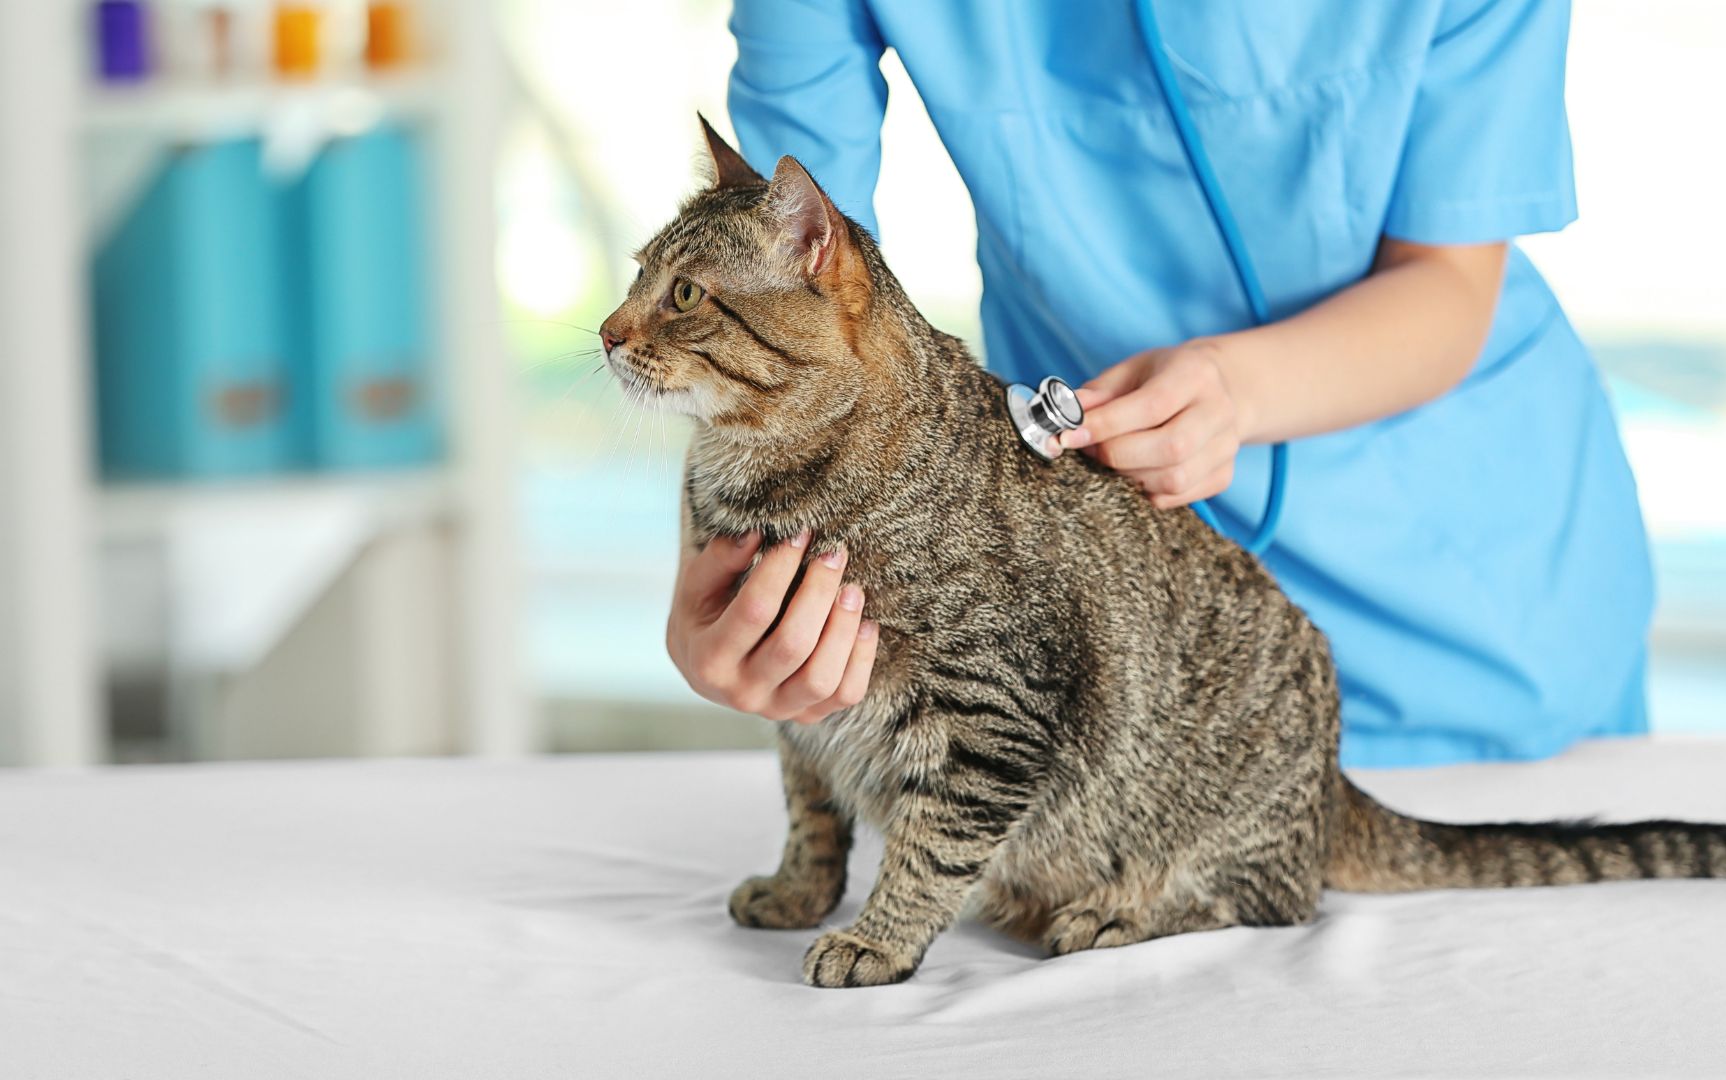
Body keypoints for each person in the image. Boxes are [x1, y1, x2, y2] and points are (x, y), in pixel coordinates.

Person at [665, 0, 1654, 767]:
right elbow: (775, 282)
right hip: (1091, 622)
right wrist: (727, 579)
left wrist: (1236, 388)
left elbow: (1448, 279)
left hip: (1478, 605)